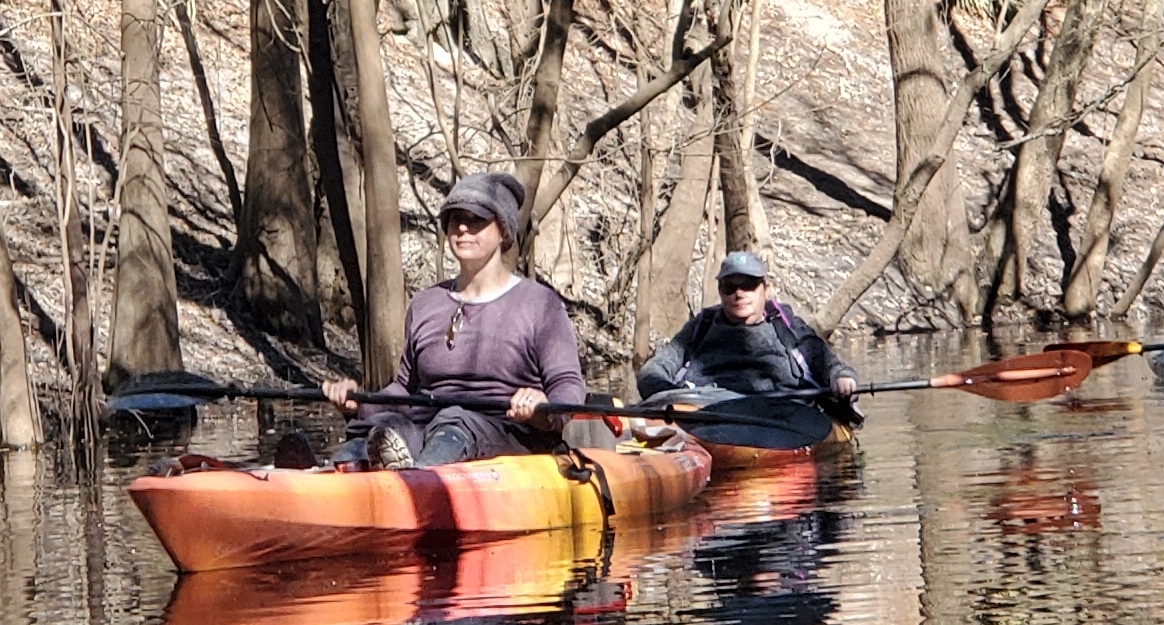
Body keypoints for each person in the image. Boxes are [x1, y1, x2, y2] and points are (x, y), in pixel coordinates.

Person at [319, 170, 587, 467]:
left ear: (503, 231)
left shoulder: (541, 304)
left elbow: (568, 386)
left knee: (453, 423)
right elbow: (405, 389)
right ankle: (325, 475)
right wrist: (360, 403)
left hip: (509, 435)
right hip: (427, 426)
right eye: (454, 219)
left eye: (476, 220)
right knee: (382, 429)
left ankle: (417, 483)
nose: (462, 228)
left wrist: (542, 408)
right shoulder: (426, 303)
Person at [637, 251, 862, 405]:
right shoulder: (701, 326)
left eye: (748, 285)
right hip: (705, 413)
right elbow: (653, 370)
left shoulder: (786, 324)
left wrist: (842, 379)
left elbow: (829, 365)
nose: (739, 293)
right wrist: (670, 396)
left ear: (765, 288)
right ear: (720, 290)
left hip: (781, 414)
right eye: (730, 286)